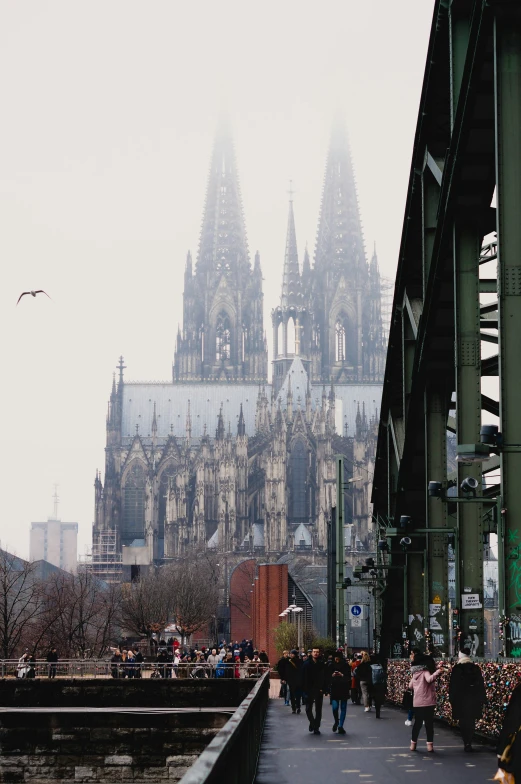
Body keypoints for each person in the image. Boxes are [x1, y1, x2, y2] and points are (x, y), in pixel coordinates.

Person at [449, 647, 486, 751]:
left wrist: (452, 699)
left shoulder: (457, 669)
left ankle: (466, 742)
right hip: (473, 699)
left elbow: (453, 686)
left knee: (463, 721)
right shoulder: (475, 668)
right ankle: (469, 741)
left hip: (461, 699)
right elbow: (480, 685)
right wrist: (482, 698)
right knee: (471, 720)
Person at [409, 652, 443, 752]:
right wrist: (437, 672)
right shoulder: (425, 671)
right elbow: (429, 679)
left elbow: (410, 686)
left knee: (417, 724)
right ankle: (429, 746)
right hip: (428, 701)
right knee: (429, 724)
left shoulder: (415, 673)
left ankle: (413, 744)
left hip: (417, 702)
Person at [302, 647, 327, 735]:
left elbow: (324, 677)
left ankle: (316, 727)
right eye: (314, 652)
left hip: (319, 689)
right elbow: (303, 678)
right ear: (311, 653)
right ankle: (313, 723)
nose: (316, 653)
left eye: (317, 652)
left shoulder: (321, 664)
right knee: (308, 708)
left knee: (318, 709)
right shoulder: (306, 664)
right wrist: (304, 689)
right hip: (309, 689)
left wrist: (324, 689)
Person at [327, 650, 350, 734]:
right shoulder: (330, 665)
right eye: (335, 658)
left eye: (338, 658)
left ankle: (340, 725)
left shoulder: (346, 665)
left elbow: (348, 677)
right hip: (334, 687)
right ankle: (337, 721)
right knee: (335, 707)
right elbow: (327, 677)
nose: (337, 660)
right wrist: (332, 676)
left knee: (343, 708)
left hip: (344, 687)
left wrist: (342, 675)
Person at [286, 649, 303, 713]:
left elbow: (287, 672)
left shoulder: (290, 662)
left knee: (294, 695)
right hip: (297, 681)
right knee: (296, 695)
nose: (291, 655)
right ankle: (297, 707)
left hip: (293, 681)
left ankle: (295, 707)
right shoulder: (299, 661)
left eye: (292, 654)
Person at [370, 654, 387, 719]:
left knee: (374, 697)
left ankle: (374, 705)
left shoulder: (370, 667)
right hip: (380, 684)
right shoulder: (380, 667)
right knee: (378, 698)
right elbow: (384, 676)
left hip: (373, 684)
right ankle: (378, 710)